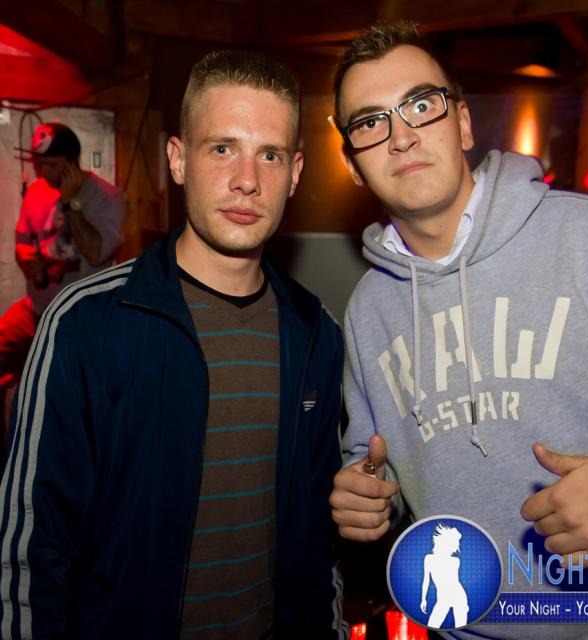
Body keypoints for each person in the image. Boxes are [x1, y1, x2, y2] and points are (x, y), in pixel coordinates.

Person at [0, 50, 348, 639]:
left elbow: (319, 540)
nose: (247, 179)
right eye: (223, 148)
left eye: (269, 154)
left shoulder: (315, 333)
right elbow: (30, 556)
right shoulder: (87, 323)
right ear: (178, 160)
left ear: (295, 172)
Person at [329, 21, 588, 640]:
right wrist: (367, 495)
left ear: (464, 124)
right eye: (370, 122)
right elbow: (374, 464)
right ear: (354, 165)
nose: (402, 137)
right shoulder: (368, 309)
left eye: (422, 105)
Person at [0, 122, 124, 441]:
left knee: (63, 395)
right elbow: (22, 240)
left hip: (80, 317)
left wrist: (70, 203)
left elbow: (96, 252)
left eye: (52, 165)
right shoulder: (37, 190)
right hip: (36, 309)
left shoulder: (107, 196)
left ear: (72, 162)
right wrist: (28, 259)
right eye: (40, 164)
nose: (44, 172)